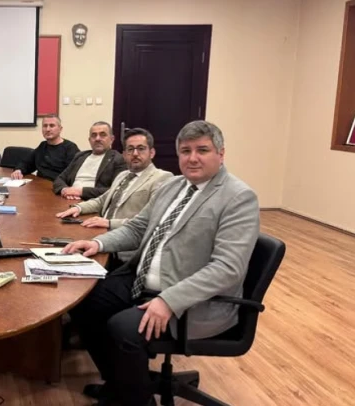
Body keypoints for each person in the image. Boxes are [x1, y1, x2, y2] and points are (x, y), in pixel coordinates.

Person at [62, 120, 260, 406]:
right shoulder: (173, 186)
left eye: (202, 150)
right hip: (142, 279)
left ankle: (136, 399)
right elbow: (138, 227)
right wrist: (98, 243)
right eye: (186, 151)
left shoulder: (238, 197)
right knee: (82, 303)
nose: (192, 158)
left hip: (190, 301)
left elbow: (227, 269)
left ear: (221, 153)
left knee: (123, 329)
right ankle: (121, 386)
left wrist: (169, 300)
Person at [57, 127, 172, 267]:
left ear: (152, 153)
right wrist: (78, 208)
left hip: (124, 252)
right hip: (99, 236)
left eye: (141, 149)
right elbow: (102, 200)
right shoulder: (123, 175)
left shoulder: (162, 178)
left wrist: (109, 223)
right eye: (130, 149)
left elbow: (150, 222)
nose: (135, 154)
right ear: (124, 154)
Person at [52, 121, 126, 200]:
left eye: (102, 135)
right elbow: (60, 179)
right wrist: (64, 190)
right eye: (94, 135)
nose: (97, 139)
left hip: (93, 202)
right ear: (89, 140)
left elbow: (117, 190)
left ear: (111, 139)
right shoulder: (80, 156)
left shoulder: (118, 159)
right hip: (68, 198)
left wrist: (81, 192)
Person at [11, 115, 80, 181]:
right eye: (45, 126)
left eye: (52, 126)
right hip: (39, 184)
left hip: (57, 186)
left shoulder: (70, 148)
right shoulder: (42, 146)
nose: (47, 129)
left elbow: (71, 176)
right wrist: (19, 170)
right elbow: (27, 163)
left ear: (60, 129)